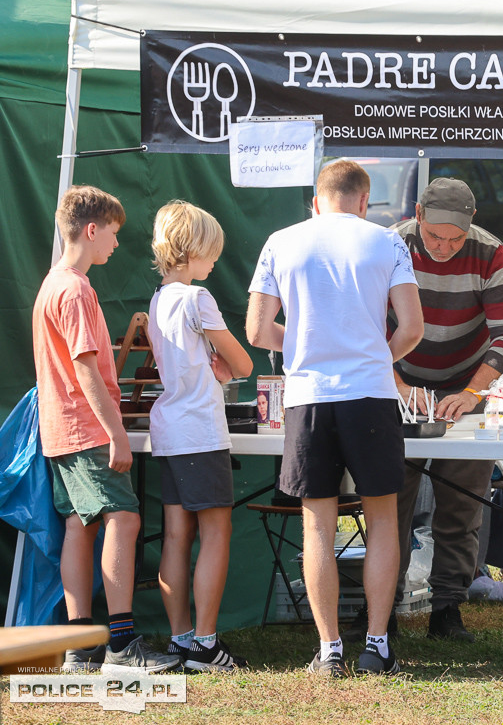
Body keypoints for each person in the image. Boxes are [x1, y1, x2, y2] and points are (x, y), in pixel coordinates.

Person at [246, 160, 423, 677]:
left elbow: (258, 330)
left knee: (318, 525)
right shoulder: (387, 242)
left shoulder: (280, 241)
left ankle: (328, 651)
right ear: (365, 201)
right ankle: (376, 646)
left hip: (309, 397)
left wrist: (300, 347)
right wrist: (375, 355)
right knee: (382, 518)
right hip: (370, 394)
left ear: (316, 199)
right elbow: (411, 327)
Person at [350, 177, 503, 644]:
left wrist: (472, 393)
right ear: (418, 216)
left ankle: (447, 608)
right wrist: (399, 386)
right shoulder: (388, 247)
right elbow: (363, 326)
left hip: (463, 388)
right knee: (390, 503)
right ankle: (380, 613)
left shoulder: (491, 253)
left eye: (456, 239)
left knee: (462, 506)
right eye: (435, 237)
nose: (445, 247)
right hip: (395, 385)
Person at [32, 185, 179, 673]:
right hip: (86, 427)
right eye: (112, 234)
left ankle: (81, 648)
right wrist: (116, 433)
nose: (116, 244)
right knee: (124, 520)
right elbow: (86, 369)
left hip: (60, 429)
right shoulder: (74, 288)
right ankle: (121, 645)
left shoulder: (53, 283)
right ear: (91, 230)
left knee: (81, 524)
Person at [148, 201, 253, 671]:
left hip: (169, 428)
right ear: (191, 249)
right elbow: (244, 364)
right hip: (200, 431)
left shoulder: (158, 299)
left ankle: (182, 639)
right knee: (216, 532)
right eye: (211, 252)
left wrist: (219, 369)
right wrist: (227, 368)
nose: (214, 261)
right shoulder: (197, 298)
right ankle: (207, 645)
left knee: (175, 536)